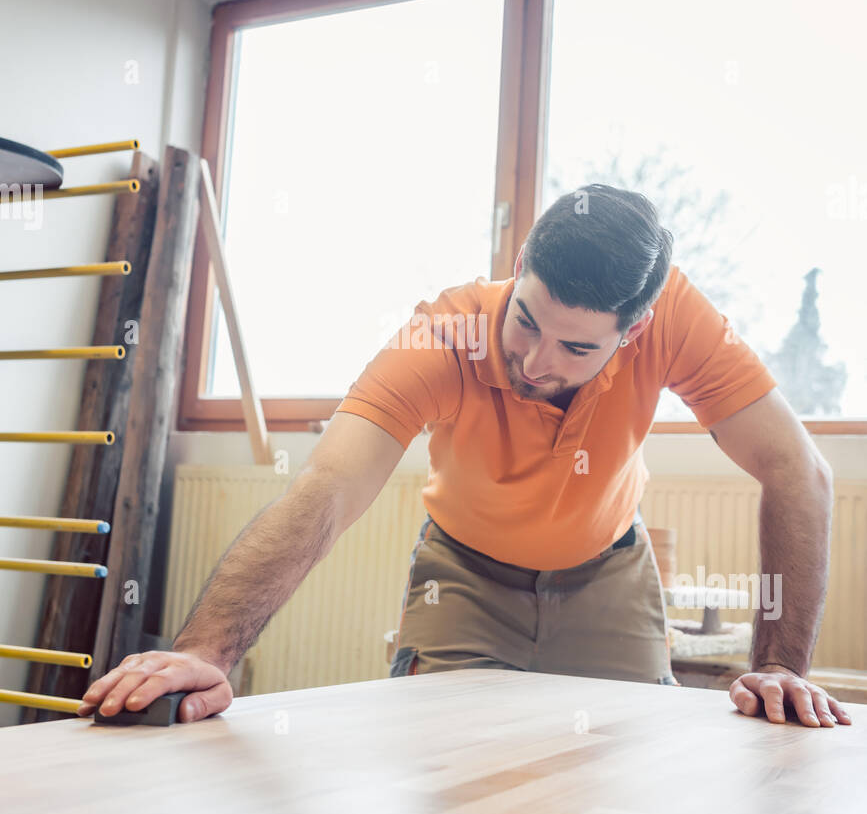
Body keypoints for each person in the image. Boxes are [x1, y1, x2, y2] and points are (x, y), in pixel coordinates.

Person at [78, 184, 850, 730]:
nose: (535, 361)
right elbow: (329, 487)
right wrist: (207, 650)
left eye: (577, 347)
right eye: (525, 321)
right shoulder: (443, 333)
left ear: (635, 329)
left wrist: (780, 667)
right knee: (439, 783)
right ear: (518, 269)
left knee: (621, 793)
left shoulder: (677, 315)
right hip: (464, 576)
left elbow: (798, 471)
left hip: (608, 573)